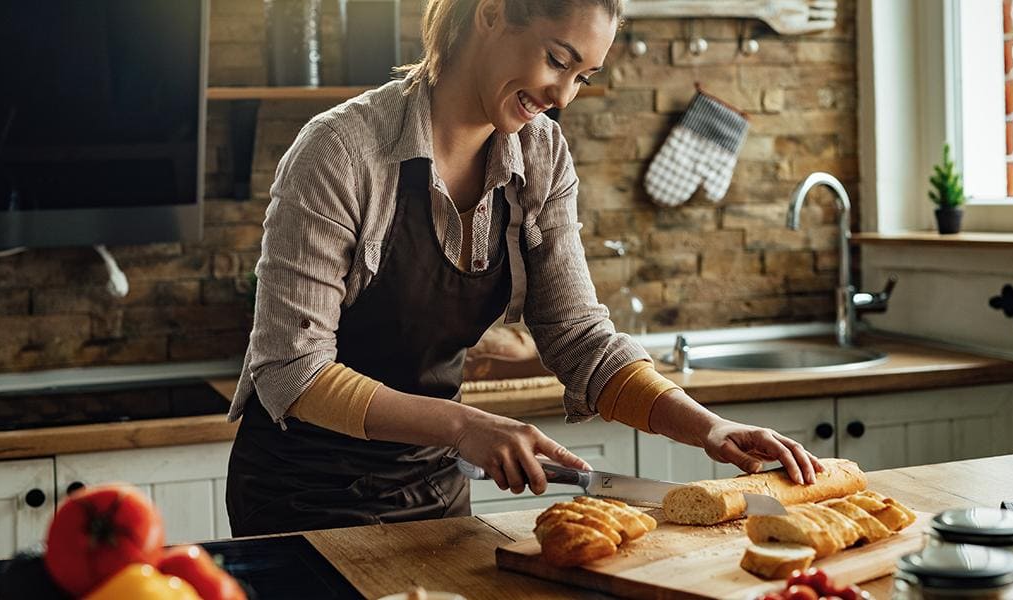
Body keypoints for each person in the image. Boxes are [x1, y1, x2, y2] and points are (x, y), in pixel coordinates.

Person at [225, 0, 823, 537]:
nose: (563, 96)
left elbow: (579, 338)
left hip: (432, 492)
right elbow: (290, 370)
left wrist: (707, 429)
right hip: (301, 500)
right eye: (557, 60)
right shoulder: (340, 152)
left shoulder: (541, 155)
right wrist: (464, 427)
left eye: (583, 77)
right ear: (491, 13)